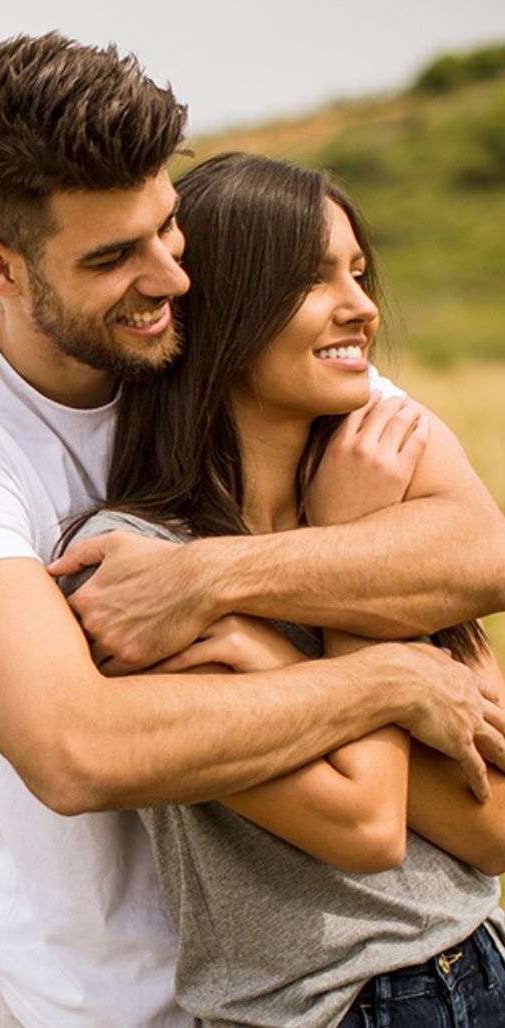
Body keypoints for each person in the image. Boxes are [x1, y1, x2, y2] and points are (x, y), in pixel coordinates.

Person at [0, 32, 505, 1028]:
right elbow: (76, 748)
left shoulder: (241, 349)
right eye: (113, 256)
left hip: (373, 966)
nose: (170, 277)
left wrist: (212, 579)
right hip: (111, 999)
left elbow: (479, 553)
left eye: (168, 228)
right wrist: (389, 678)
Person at [59, 151, 505, 1027]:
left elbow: (494, 829)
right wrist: (383, 647)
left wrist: (280, 651)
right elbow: (366, 824)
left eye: (359, 273)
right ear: (224, 308)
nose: (361, 306)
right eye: (312, 279)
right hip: (333, 1006)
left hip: (480, 961)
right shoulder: (137, 568)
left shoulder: (377, 491)